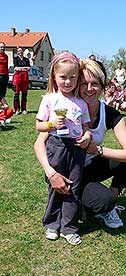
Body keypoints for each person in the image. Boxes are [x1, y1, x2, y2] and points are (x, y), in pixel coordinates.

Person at [34, 58, 126, 235]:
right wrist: (51, 173)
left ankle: (108, 204)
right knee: (101, 200)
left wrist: (96, 150)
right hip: (62, 169)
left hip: (89, 165)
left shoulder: (109, 112)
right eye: (84, 83)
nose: (89, 89)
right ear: (77, 84)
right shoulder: (65, 107)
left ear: (102, 86)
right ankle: (84, 206)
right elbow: (38, 144)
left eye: (95, 84)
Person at [35, 52, 91, 246]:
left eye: (72, 77)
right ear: (54, 77)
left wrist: (87, 136)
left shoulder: (81, 103)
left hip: (76, 149)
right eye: (63, 77)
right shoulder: (50, 99)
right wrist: (51, 124)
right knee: (56, 186)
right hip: (56, 146)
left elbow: (85, 127)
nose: (68, 82)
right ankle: (52, 223)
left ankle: (69, 227)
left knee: (73, 187)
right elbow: (39, 126)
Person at [12, 46, 30, 115]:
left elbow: (28, 68)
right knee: (16, 94)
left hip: (25, 78)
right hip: (17, 78)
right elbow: (16, 68)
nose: (20, 52)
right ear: (17, 52)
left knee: (24, 94)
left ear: (23, 51)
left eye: (21, 50)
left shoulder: (26, 59)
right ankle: (17, 109)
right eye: (19, 51)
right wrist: (24, 68)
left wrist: (21, 68)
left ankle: (24, 109)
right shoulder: (15, 59)